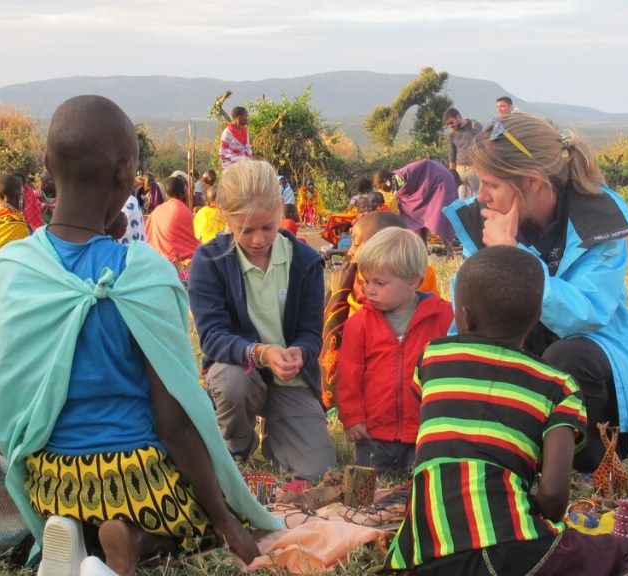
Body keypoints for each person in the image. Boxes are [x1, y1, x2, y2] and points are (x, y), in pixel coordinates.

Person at [0, 96, 276, 576]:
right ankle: (136, 541)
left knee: (77, 504)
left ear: (47, 169)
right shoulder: (143, 273)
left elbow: (6, 399)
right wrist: (227, 521)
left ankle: (72, 535)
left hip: (51, 480)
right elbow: (175, 421)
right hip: (135, 480)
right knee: (196, 518)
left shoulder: (13, 267)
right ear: (126, 175)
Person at [384, 245, 628, 576]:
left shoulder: (433, 358)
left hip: (421, 554)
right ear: (534, 321)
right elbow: (555, 496)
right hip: (516, 552)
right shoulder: (558, 386)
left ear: (465, 315)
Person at [445, 113, 628, 472]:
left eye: (491, 185)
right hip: (528, 369)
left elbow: (585, 316)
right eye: (477, 182)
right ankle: (510, 462)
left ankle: (588, 467)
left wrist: (514, 256)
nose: (480, 197)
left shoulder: (598, 220)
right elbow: (469, 316)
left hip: (600, 388)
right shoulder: (487, 220)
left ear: (531, 182)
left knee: (567, 356)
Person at [188, 159, 336, 484]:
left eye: (267, 227)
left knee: (320, 474)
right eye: (245, 229)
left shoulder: (307, 262)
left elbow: (311, 334)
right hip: (238, 372)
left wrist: (301, 352)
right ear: (225, 218)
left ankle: (278, 434)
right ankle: (237, 445)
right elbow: (212, 337)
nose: (257, 239)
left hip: (290, 378)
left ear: (280, 209)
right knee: (232, 384)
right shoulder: (209, 261)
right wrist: (260, 353)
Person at [335, 227, 453, 476]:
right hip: (374, 432)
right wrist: (352, 417)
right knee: (363, 481)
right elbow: (348, 373)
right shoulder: (360, 323)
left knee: (427, 480)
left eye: (380, 283)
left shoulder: (442, 317)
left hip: (424, 431)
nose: (370, 290)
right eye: (366, 281)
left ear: (412, 280)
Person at [319, 212, 441, 408]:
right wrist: (338, 295)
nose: (349, 251)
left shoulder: (426, 290)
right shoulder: (351, 284)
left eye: (356, 244)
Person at [373, 161, 458, 248]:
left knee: (440, 219)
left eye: (380, 187)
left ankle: (450, 250)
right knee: (416, 218)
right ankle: (423, 249)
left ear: (386, 181)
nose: (380, 190)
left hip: (440, 181)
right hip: (425, 194)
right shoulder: (393, 188)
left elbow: (426, 164)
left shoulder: (404, 174)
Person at [146, 176, 199, 269]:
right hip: (179, 263)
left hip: (155, 259)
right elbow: (192, 242)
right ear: (182, 192)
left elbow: (148, 236)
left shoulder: (156, 211)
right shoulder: (184, 212)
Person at [442, 108, 483, 199]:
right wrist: (452, 174)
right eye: (448, 124)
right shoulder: (452, 133)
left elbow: (483, 145)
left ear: (458, 117)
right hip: (459, 169)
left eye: (451, 122)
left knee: (479, 198)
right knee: (461, 199)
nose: (450, 126)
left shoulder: (474, 126)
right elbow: (452, 153)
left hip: (473, 168)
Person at [219, 106, 253, 170]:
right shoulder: (227, 133)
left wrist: (247, 161)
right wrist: (240, 160)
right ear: (239, 117)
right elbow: (223, 153)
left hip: (247, 168)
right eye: (245, 116)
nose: (247, 118)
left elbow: (248, 148)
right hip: (233, 171)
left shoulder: (244, 130)